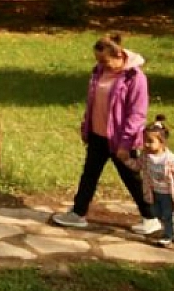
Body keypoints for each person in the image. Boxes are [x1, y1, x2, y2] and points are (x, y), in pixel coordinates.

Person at [51, 33, 160, 234]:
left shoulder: (135, 78)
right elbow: (93, 103)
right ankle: (78, 213)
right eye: (97, 59)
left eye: (104, 60)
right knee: (89, 176)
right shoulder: (98, 72)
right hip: (97, 136)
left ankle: (151, 217)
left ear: (119, 55)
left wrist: (125, 144)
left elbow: (137, 115)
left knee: (133, 179)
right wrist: (86, 127)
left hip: (120, 140)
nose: (100, 64)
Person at [138, 116, 174, 247]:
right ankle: (172, 229)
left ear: (162, 143)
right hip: (154, 192)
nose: (146, 144)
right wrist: (126, 160)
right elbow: (137, 165)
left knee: (167, 215)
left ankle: (168, 236)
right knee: (157, 213)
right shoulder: (145, 157)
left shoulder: (172, 160)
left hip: (168, 194)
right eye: (145, 141)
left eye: (150, 141)